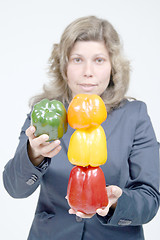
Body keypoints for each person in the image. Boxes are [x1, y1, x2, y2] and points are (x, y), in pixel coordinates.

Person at [3, 16, 160, 240]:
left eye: (99, 60)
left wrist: (117, 202)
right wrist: (33, 155)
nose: (88, 71)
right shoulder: (45, 114)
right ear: (63, 65)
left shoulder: (135, 116)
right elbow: (15, 188)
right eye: (77, 59)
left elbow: (150, 199)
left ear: (113, 66)